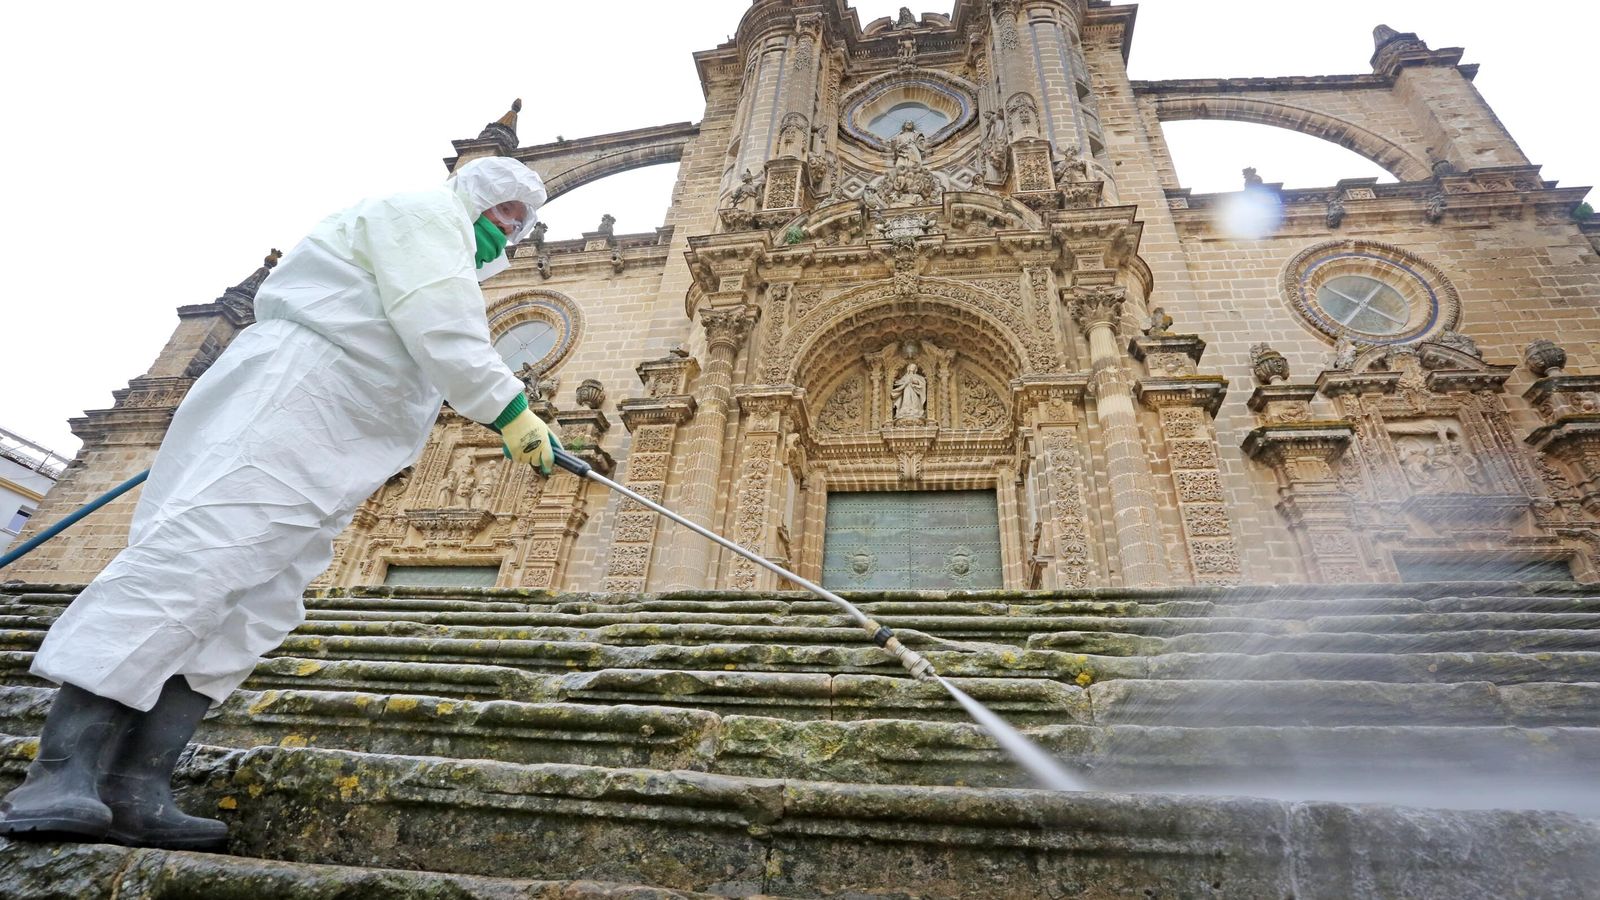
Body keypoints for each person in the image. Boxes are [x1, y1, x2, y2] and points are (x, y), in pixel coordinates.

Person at [0, 156, 559, 851]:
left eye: (523, 221)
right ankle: (58, 772)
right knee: (196, 562)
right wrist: (508, 408)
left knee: (260, 600)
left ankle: (135, 786)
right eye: (506, 210)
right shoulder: (419, 217)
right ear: (476, 193)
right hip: (296, 395)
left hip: (345, 437)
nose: (512, 229)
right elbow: (438, 320)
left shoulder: (453, 261)